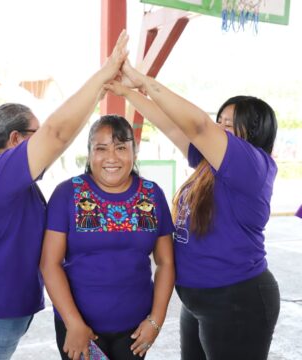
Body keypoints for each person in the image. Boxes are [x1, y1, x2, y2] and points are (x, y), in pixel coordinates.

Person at [0, 31, 129, 360]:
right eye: (35, 134)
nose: (43, 142)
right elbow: (57, 134)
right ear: (15, 139)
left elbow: (63, 136)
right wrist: (101, 76)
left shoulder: (17, 183)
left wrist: (101, 91)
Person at [104, 60, 281, 360]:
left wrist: (143, 81)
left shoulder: (252, 165)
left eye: (229, 122)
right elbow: (173, 125)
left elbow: (197, 125)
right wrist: (126, 92)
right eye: (220, 119)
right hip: (198, 300)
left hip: (236, 300)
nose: (219, 127)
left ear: (254, 131)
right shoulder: (210, 163)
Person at [40, 114, 175, 360]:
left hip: (135, 332)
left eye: (121, 148)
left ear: (134, 152)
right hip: (79, 329)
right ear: (90, 153)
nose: (111, 158)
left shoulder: (152, 194)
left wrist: (155, 321)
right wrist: (74, 324)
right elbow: (50, 263)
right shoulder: (67, 193)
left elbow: (166, 263)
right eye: (101, 148)